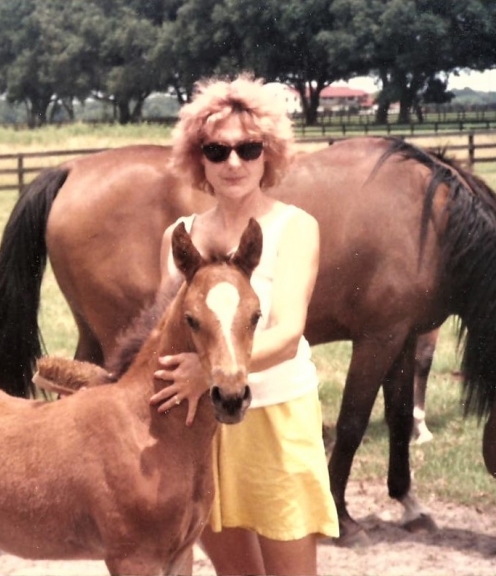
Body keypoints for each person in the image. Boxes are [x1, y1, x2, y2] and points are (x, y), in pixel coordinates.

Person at [149, 74, 339, 576]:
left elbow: (289, 331)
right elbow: (164, 342)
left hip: (275, 419)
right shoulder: (179, 237)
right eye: (217, 151)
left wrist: (209, 371)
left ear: (268, 154)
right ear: (198, 159)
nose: (233, 162)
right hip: (201, 428)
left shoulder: (294, 228)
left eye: (248, 148)